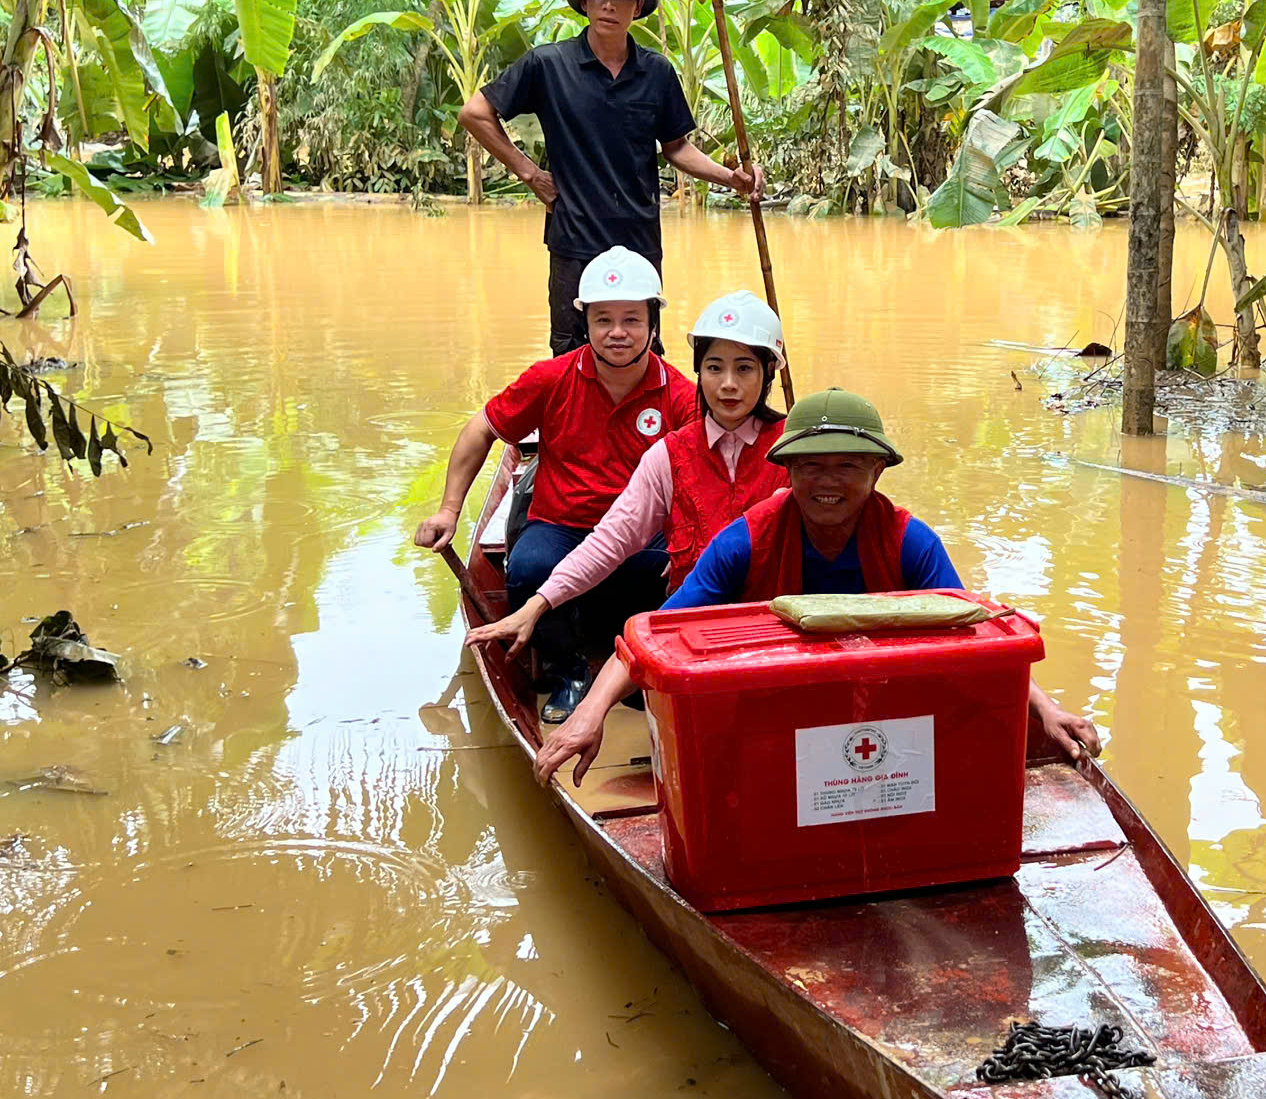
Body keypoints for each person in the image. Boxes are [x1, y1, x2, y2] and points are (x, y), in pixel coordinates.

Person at [532, 387, 1102, 786]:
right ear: (788, 472)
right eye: (810, 466)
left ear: (877, 472)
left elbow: (976, 640)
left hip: (880, 714)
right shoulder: (746, 541)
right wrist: (592, 712)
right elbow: (652, 635)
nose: (827, 482)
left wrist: (1046, 709)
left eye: (847, 466)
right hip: (775, 712)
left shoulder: (909, 541)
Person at [414, 246, 697, 718]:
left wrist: (690, 541)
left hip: (639, 536)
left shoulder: (681, 395)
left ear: (653, 322)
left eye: (631, 319)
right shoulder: (551, 378)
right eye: (603, 320)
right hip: (560, 525)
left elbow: (703, 476)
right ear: (585, 323)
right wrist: (449, 510)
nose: (618, 332)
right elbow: (481, 429)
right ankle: (569, 672)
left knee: (677, 572)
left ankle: (636, 662)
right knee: (528, 568)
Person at [457, 0, 765, 355]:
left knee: (641, 352)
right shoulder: (548, 65)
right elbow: (475, 113)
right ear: (584, 1)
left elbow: (676, 147)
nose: (609, 3)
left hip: (639, 240)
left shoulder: (656, 72)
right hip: (575, 240)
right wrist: (530, 174)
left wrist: (731, 179)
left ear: (637, 7)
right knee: (572, 357)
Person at [466, 290, 788, 672]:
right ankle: (570, 671)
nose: (728, 384)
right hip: (689, 632)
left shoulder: (794, 451)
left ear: (770, 370)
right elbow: (611, 540)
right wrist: (536, 605)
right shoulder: (670, 454)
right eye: (714, 368)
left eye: (745, 369)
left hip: (775, 632)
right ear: (699, 372)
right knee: (535, 567)